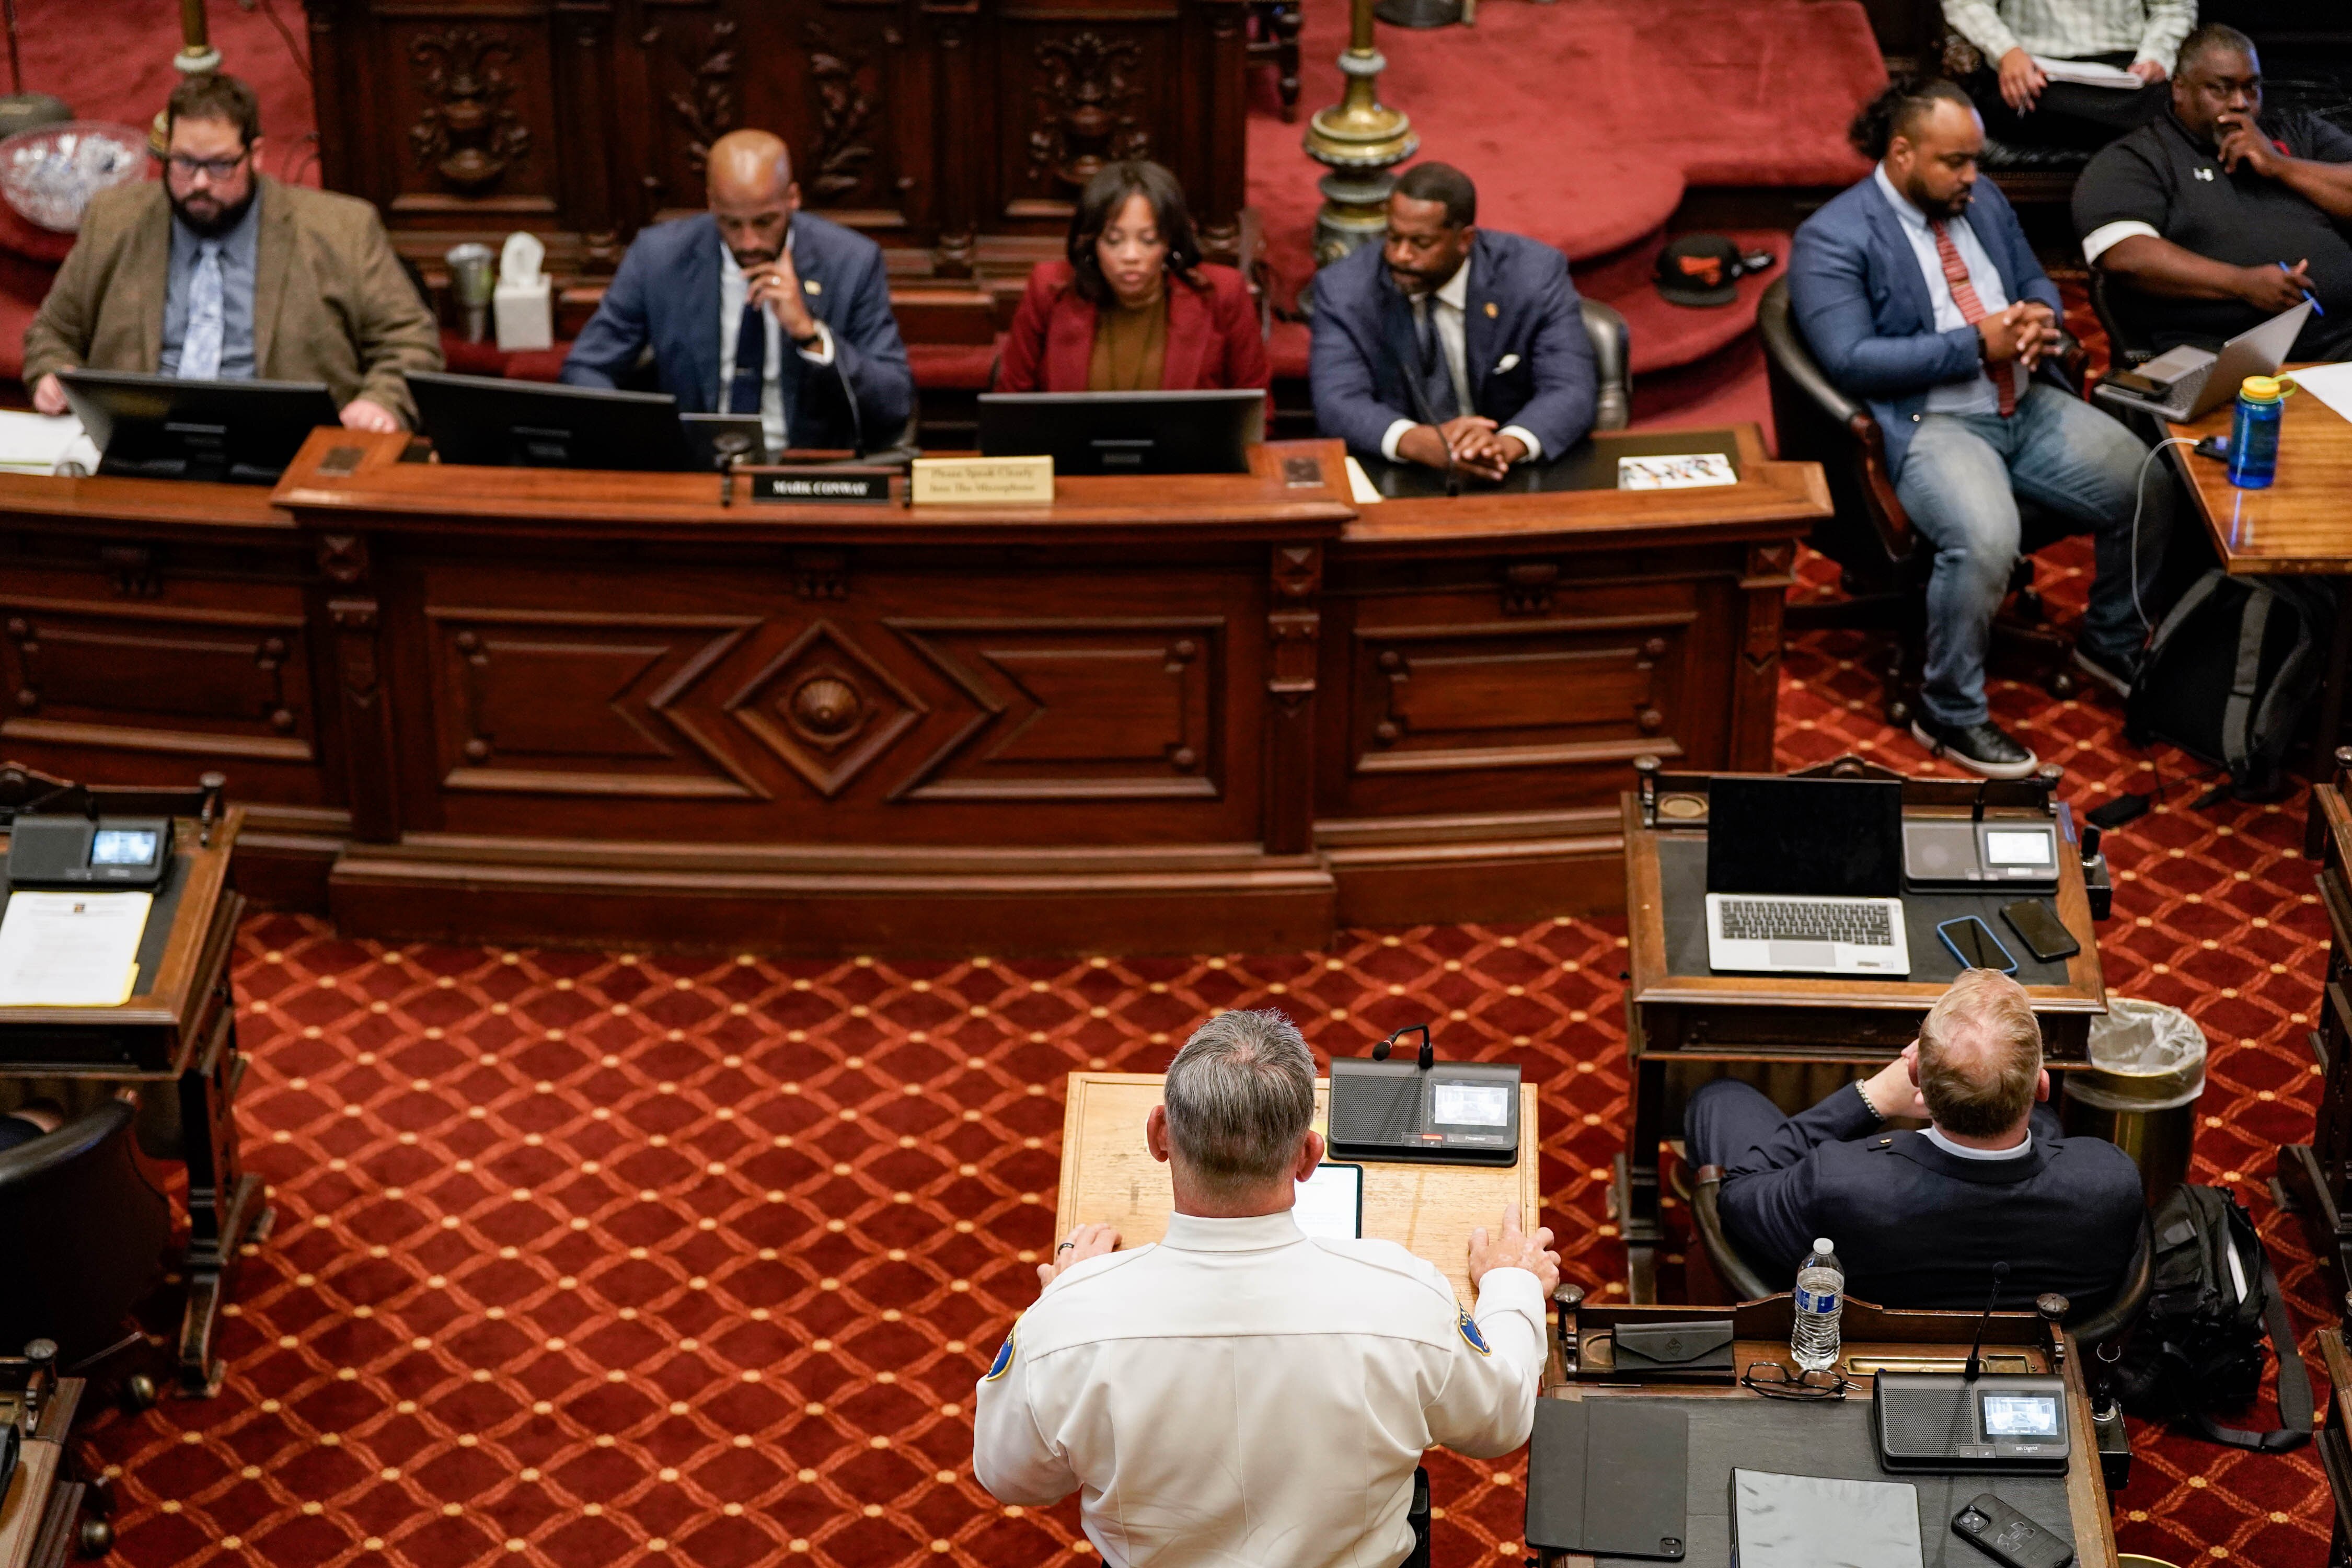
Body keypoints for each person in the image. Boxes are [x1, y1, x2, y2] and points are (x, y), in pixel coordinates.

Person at [972, 1009, 1558, 1568]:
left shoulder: (1068, 1324)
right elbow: (1501, 1421)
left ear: (1159, 1136)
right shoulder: (1406, 1299)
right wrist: (1512, 1282)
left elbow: (1011, 1477)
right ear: (1308, 1157)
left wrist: (1072, 1300)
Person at [1790, 76, 2170, 779]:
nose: (1975, 176)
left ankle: (2109, 641)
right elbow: (1850, 359)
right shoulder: (1833, 236)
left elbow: (2037, 279)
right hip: (1935, 421)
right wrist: (1975, 344)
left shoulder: (1984, 200)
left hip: (2025, 403)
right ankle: (1950, 710)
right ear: (1902, 153)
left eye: (1976, 160)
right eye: (1955, 162)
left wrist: (2038, 319)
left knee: (2152, 479)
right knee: (1986, 540)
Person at [1686, 969, 2143, 1311]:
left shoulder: (1838, 1182)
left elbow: (1738, 1192)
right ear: (2041, 1086)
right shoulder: (2110, 1181)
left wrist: (1871, 1098)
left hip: (1852, 1356)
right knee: (2045, 1128)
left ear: (1914, 1075)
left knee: (1720, 1100)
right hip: (2041, 1368)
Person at [22, 73, 441, 433]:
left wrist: (380, 402)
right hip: (141, 442)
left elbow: (411, 342)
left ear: (255, 155)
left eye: (221, 165)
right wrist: (52, 374)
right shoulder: (114, 221)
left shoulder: (341, 230)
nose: (200, 182)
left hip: (288, 451)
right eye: (184, 162)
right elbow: (53, 334)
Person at [562, 129, 913, 454]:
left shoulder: (850, 262)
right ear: (711, 203)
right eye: (731, 223)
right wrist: (642, 443)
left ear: (793, 198)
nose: (749, 243)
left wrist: (809, 335)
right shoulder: (658, 259)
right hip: (692, 469)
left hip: (803, 469)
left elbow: (894, 402)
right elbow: (586, 370)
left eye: (764, 222)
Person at [2075, 23, 2352, 361]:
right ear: (2179, 89)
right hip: (2216, 353)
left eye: (2251, 88)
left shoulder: (2301, 134)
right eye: (2221, 89)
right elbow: (2126, 256)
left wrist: (2279, 165)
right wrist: (2242, 284)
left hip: (2340, 343)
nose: (2240, 103)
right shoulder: (2138, 158)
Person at [1310, 162, 1597, 480]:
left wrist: (1505, 446)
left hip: (1509, 473)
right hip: (1403, 475)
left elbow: (1571, 388)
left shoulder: (1532, 276)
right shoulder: (1345, 290)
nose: (1400, 255)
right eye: (1393, 237)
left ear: (1465, 240)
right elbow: (1337, 400)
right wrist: (1417, 443)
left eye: (1421, 243)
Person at [997, 160, 1269, 394]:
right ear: (1092, 242)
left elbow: (1254, 414)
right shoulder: (1049, 288)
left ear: (1169, 241)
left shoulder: (1223, 293)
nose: (1130, 255)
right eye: (1113, 241)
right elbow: (1009, 405)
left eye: (1148, 241)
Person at [1942, 0, 2190, 154]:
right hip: (2034, 71)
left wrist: (2155, 58)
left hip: (2125, 72)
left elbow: (2174, 8)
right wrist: (2006, 52)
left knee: (2168, 101)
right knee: (2010, 100)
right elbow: (1965, 3)